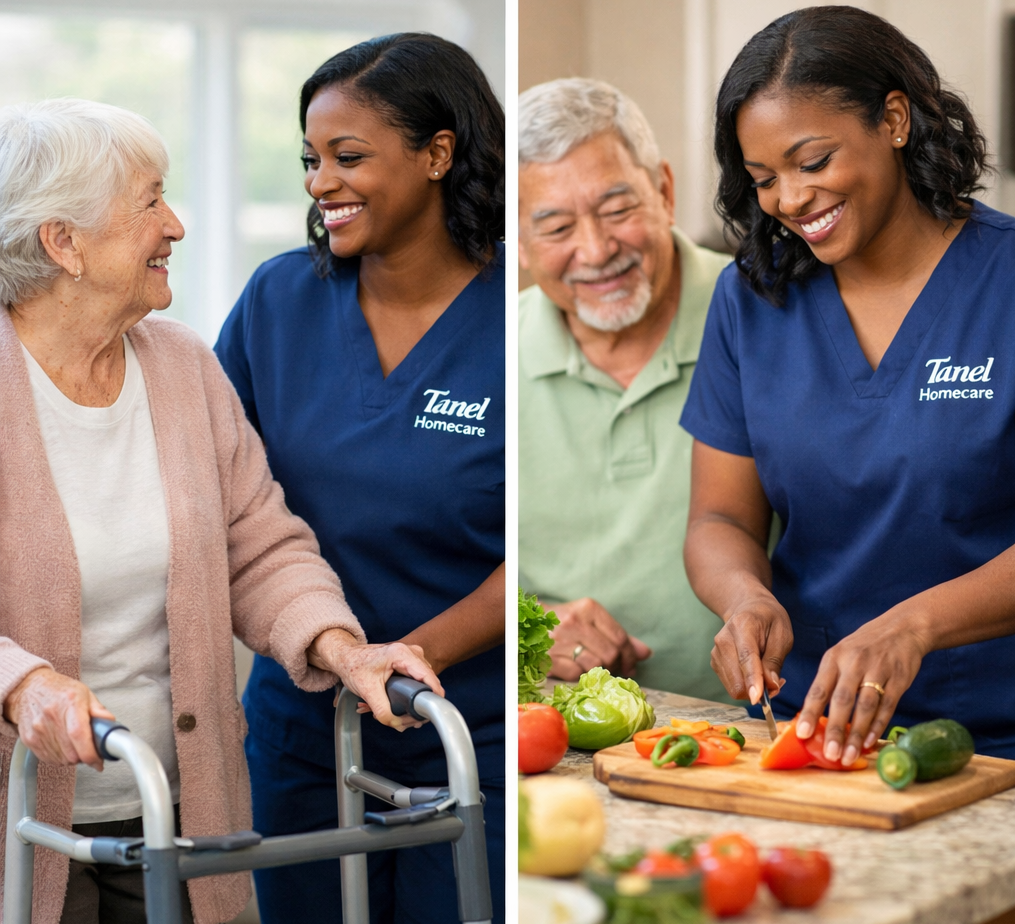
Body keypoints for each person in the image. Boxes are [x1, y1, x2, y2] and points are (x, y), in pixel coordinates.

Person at [0, 98, 440, 924]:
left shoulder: (180, 366)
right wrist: (21, 685)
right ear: (64, 243)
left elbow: (259, 546)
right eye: (149, 201)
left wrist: (340, 646)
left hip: (175, 816)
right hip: (20, 832)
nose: (175, 224)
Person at [214, 34, 505, 924]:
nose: (319, 183)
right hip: (300, 728)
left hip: (466, 728)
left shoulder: (512, 322)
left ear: (437, 154)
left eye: (348, 157)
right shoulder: (279, 301)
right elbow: (213, 488)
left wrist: (418, 659)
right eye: (311, 160)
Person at [681, 5, 1015, 766]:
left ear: (893, 120)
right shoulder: (750, 298)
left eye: (812, 161)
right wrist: (744, 597)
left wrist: (914, 624)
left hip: (994, 743)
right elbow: (719, 518)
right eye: (763, 179)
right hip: (806, 736)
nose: (789, 200)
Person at [518, 78, 733, 700]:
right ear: (523, 247)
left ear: (664, 192)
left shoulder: (766, 313)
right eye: (556, 227)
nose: (596, 249)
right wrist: (532, 621)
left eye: (617, 210)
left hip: (761, 733)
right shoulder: (489, 357)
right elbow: (443, 561)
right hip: (562, 746)